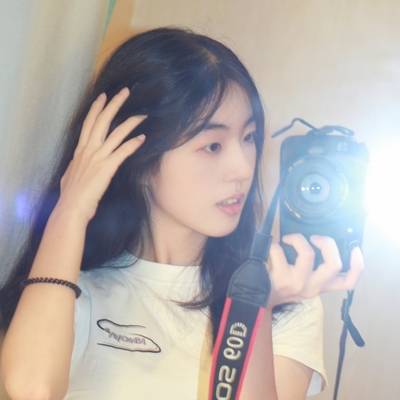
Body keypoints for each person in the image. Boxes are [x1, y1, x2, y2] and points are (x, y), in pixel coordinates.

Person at [0, 27, 364, 399]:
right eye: (213, 146)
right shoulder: (70, 289)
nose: (243, 168)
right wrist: (70, 209)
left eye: (249, 137)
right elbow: (31, 389)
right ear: (137, 157)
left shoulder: (285, 297)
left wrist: (258, 307)